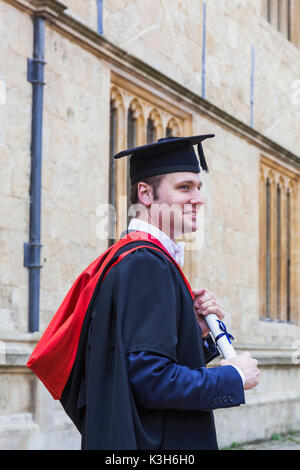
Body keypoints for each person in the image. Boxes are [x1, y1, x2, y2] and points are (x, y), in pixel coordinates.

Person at [28, 135, 259, 450]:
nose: (198, 199)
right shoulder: (146, 264)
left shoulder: (134, 258)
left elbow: (130, 367)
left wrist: (198, 336)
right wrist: (231, 378)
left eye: (198, 188)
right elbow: (151, 381)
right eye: (184, 187)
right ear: (145, 193)